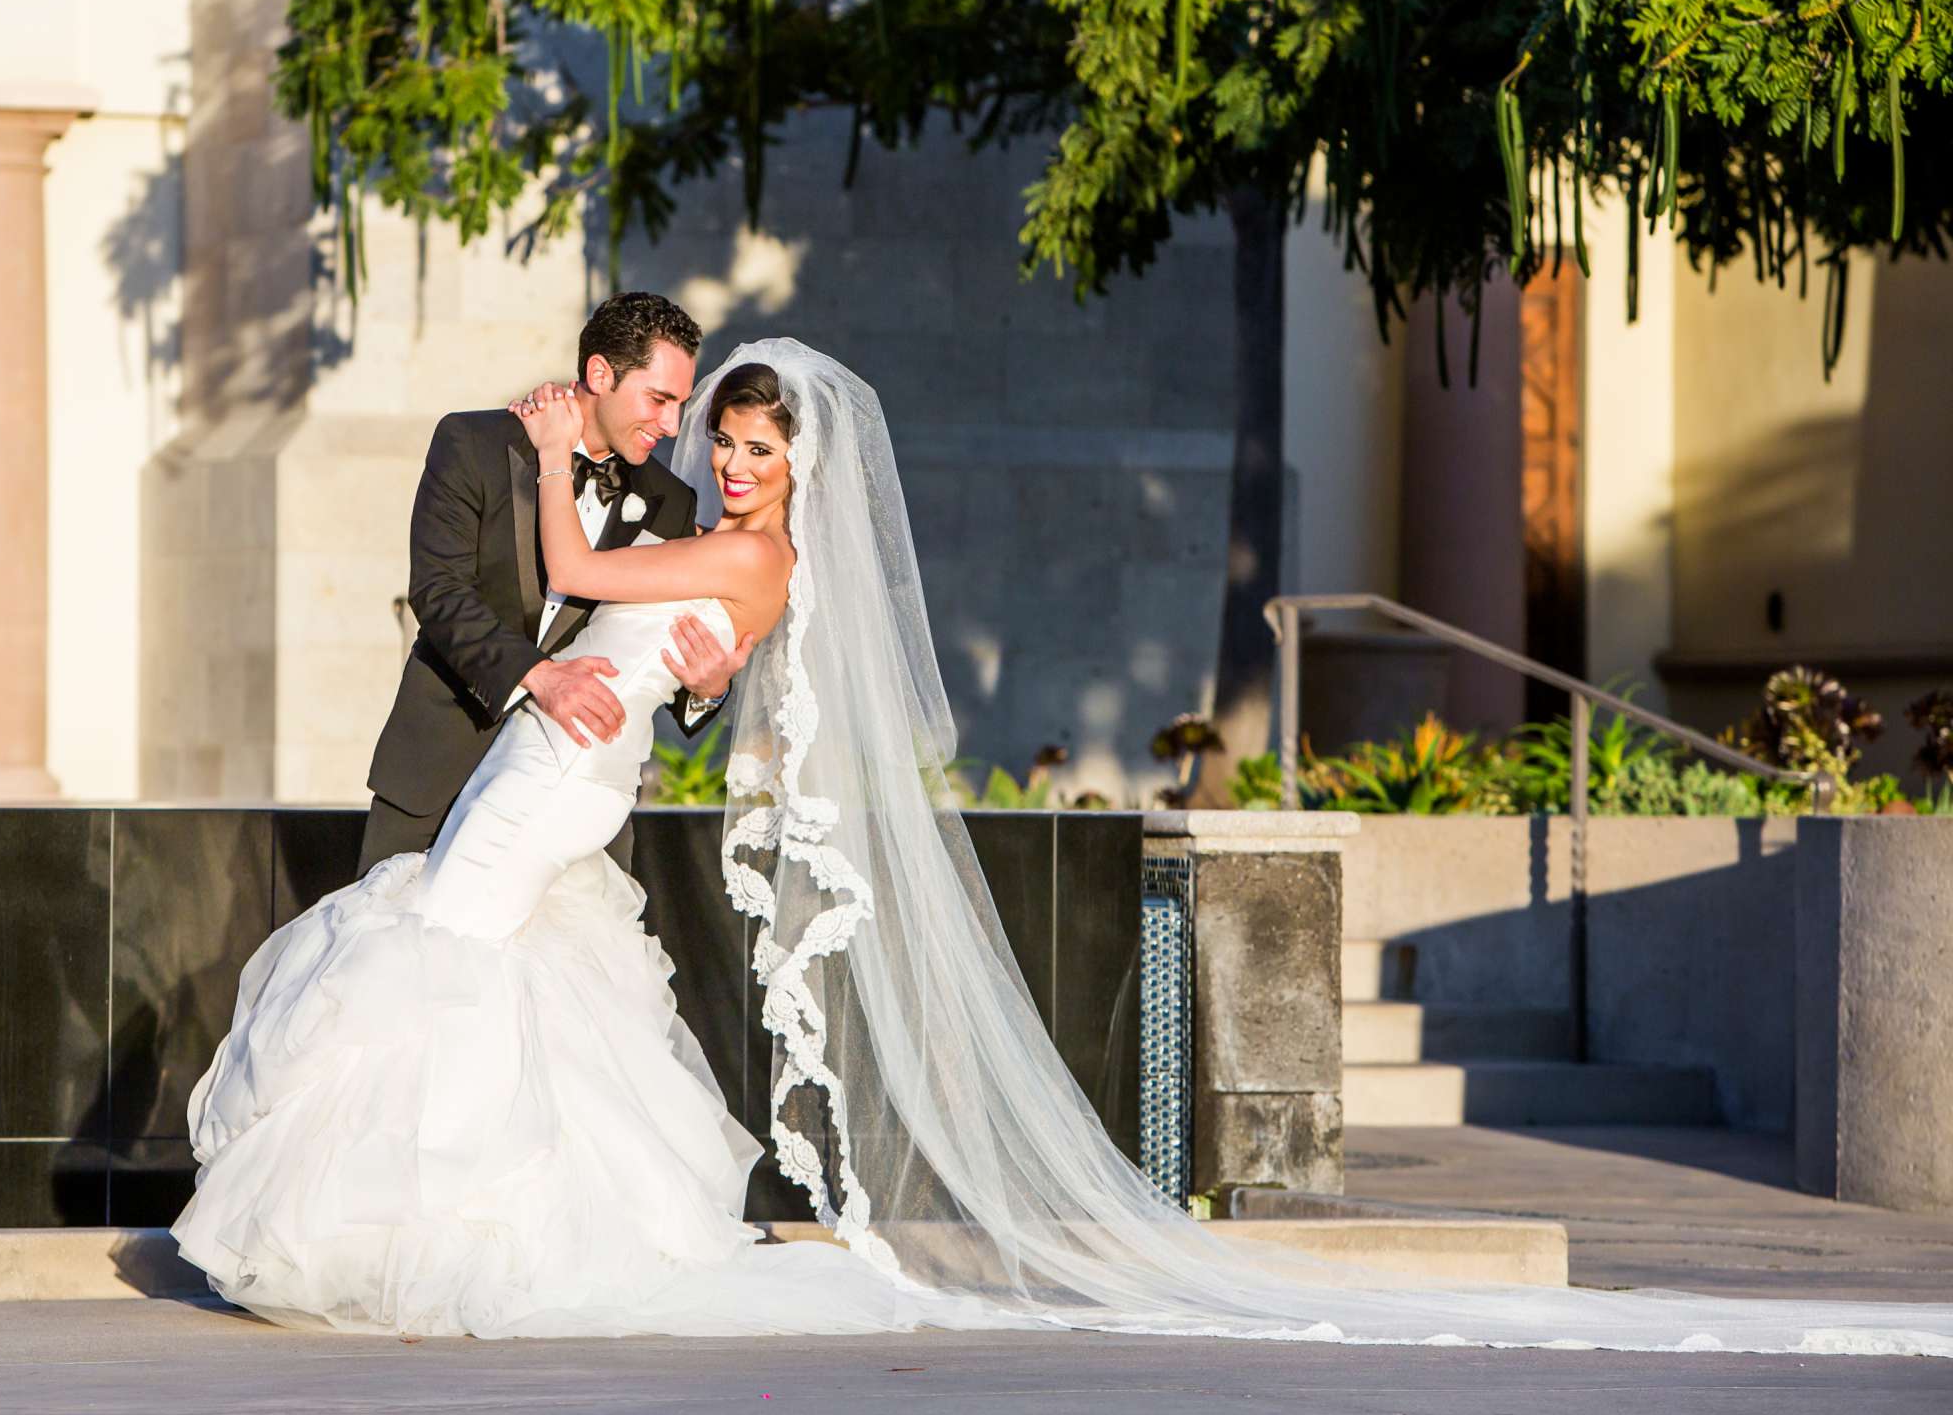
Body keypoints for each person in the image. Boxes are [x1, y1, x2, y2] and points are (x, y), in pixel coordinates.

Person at [179, 343, 1953, 1356]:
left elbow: (574, 577)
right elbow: (673, 655)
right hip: (562, 774)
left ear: (798, 471)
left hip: (554, 779)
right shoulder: (748, 573)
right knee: (492, 982)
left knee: (457, 964)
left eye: (749, 446)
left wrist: (556, 444)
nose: (728, 466)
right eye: (718, 440)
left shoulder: (742, 556)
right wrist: (675, 667)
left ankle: (437, 1228)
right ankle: (446, 1218)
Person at [353, 292, 751, 875]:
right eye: (659, 399)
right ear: (599, 374)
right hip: (437, 768)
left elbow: (657, 647)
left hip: (572, 795)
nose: (671, 425)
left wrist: (708, 689)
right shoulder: (472, 444)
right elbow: (438, 592)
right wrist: (541, 677)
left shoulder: (670, 503)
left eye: (680, 405)